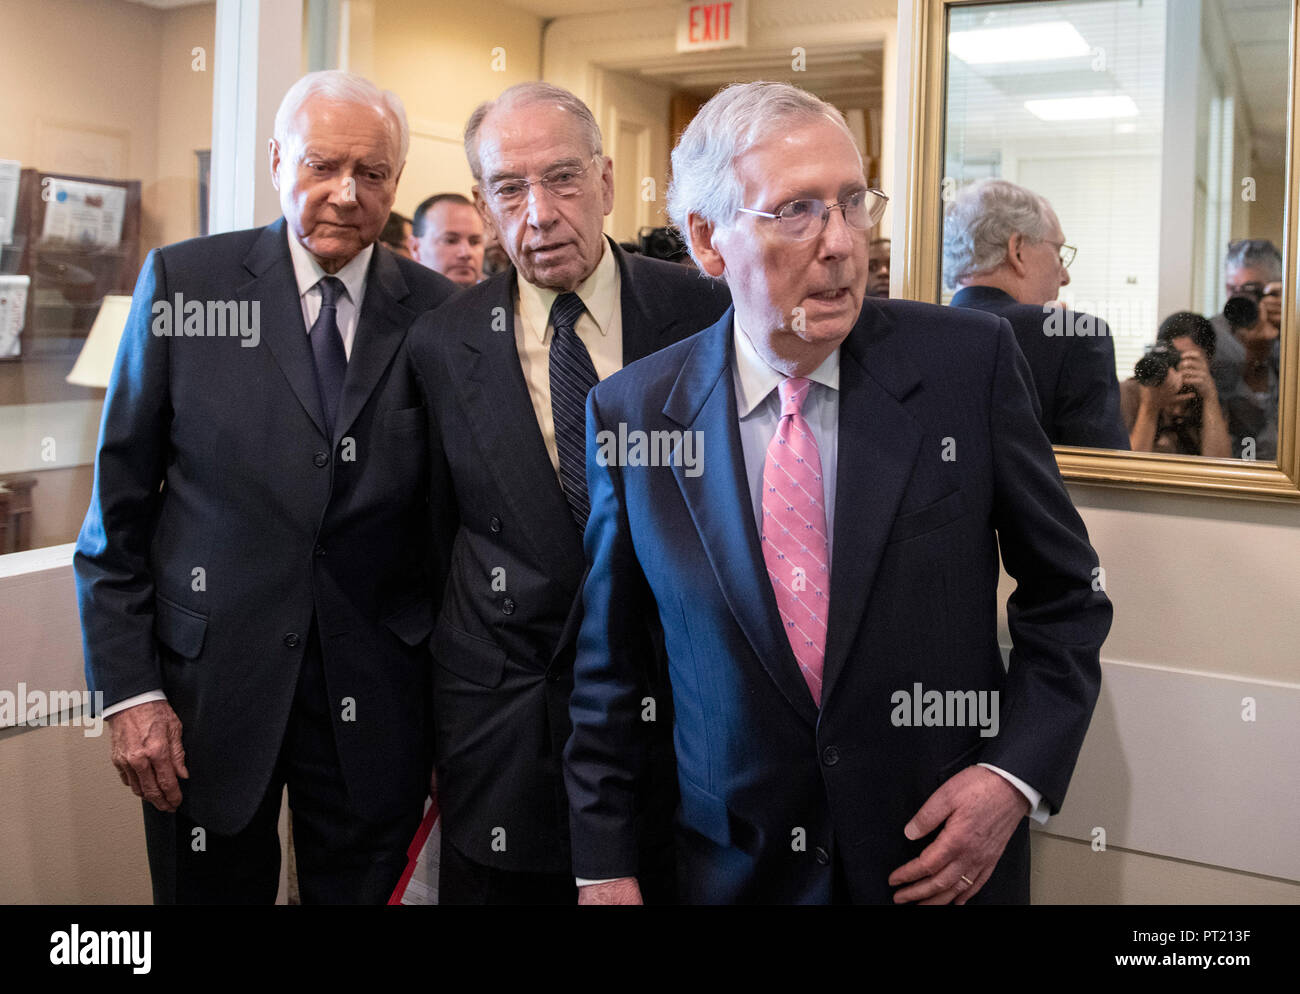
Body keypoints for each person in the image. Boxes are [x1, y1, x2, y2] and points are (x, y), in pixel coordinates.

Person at [564, 81, 1110, 905]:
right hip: (734, 873)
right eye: (797, 211)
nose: (842, 243)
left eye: (853, 204)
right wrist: (605, 868)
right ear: (708, 240)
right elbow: (612, 670)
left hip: (934, 863)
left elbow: (1068, 598)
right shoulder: (634, 413)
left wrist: (1010, 776)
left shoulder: (969, 364)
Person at [73, 70, 458, 904]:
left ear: (397, 182)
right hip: (204, 702)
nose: (347, 194)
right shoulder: (186, 284)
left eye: (373, 173)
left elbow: (452, 530)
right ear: (278, 159)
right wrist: (130, 692)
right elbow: (118, 514)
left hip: (378, 703)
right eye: (322, 165)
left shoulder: (439, 312)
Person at [404, 82, 730, 904]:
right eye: (509, 189)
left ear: (609, 180)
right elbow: (433, 540)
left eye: (563, 179)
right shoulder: (441, 344)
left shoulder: (707, 312)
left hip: (681, 718)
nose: (539, 213)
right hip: (507, 731)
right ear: (482, 202)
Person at [945, 178, 1129, 450]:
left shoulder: (914, 336)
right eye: (1059, 253)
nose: (1065, 277)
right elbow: (1107, 483)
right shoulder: (1077, 336)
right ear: (1016, 249)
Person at [1122, 312, 1231, 457]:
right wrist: (1150, 407)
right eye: (1169, 357)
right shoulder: (1130, 392)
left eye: (1182, 358)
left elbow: (1219, 467)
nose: (1173, 367)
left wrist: (1210, 396)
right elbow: (1127, 467)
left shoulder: (1206, 398)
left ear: (1207, 361)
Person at [1210, 238, 1282, 459]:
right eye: (1233, 289)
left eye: (1252, 289)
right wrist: (1256, 357)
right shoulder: (1212, 336)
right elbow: (1241, 422)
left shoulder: (1292, 325)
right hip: (1234, 467)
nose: (1240, 297)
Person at [410, 192, 485, 286]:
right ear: (415, 248)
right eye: (450, 241)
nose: (466, 253)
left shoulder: (503, 298)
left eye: (474, 242)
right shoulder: (390, 298)